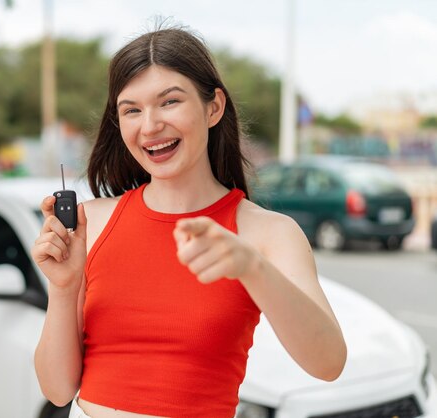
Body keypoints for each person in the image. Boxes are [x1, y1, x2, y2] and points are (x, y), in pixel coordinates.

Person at [31, 26, 347, 418]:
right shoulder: (90, 222)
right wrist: (63, 288)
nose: (149, 126)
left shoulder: (269, 233)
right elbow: (58, 391)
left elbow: (328, 363)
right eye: (131, 110)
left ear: (213, 107)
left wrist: (251, 267)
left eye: (169, 102)